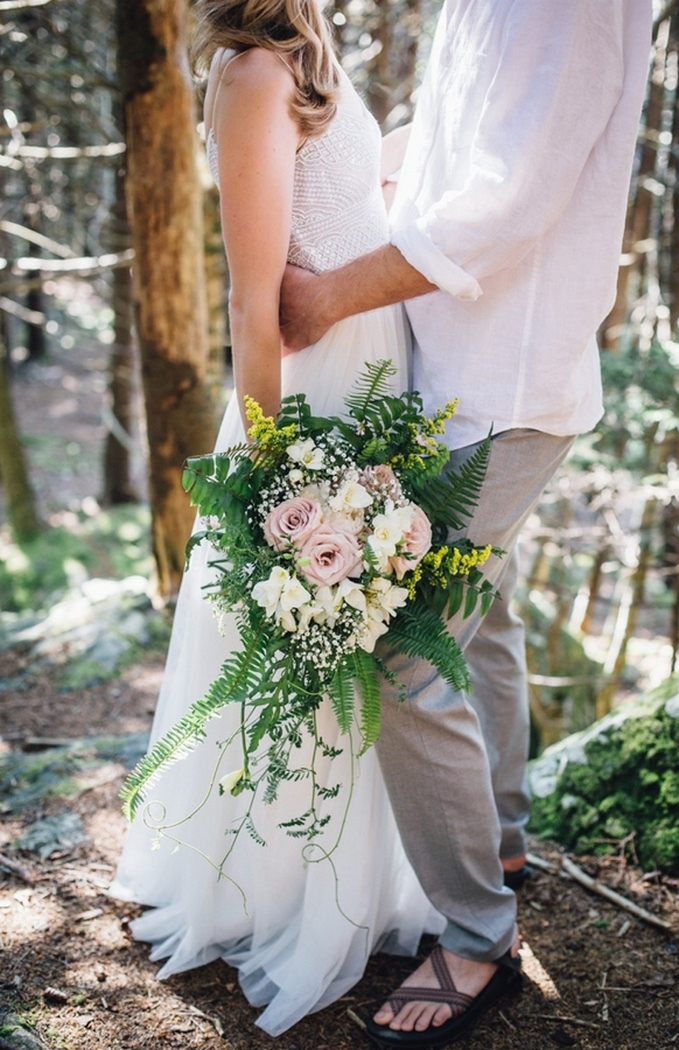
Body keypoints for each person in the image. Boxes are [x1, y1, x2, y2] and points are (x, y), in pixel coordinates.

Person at [278, 1, 653, 1045]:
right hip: (455, 362)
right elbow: (454, 142)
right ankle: (507, 844)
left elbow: (511, 198)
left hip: (505, 378)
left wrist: (329, 298)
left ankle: (477, 934)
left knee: (400, 644)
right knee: (476, 620)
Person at [109, 0, 446, 1037]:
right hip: (306, 415)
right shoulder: (251, 72)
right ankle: (281, 890)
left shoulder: (307, 49)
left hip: (371, 385)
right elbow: (257, 306)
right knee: (303, 647)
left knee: (363, 656)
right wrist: (266, 485)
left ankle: (370, 878)